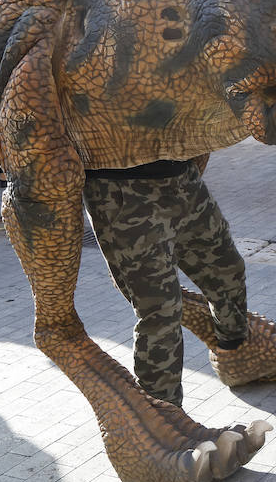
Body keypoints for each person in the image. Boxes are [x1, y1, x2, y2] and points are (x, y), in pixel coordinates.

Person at [82, 158, 249, 406]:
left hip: (182, 178)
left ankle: (233, 354)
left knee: (228, 269)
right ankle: (163, 418)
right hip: (121, 189)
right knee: (161, 310)